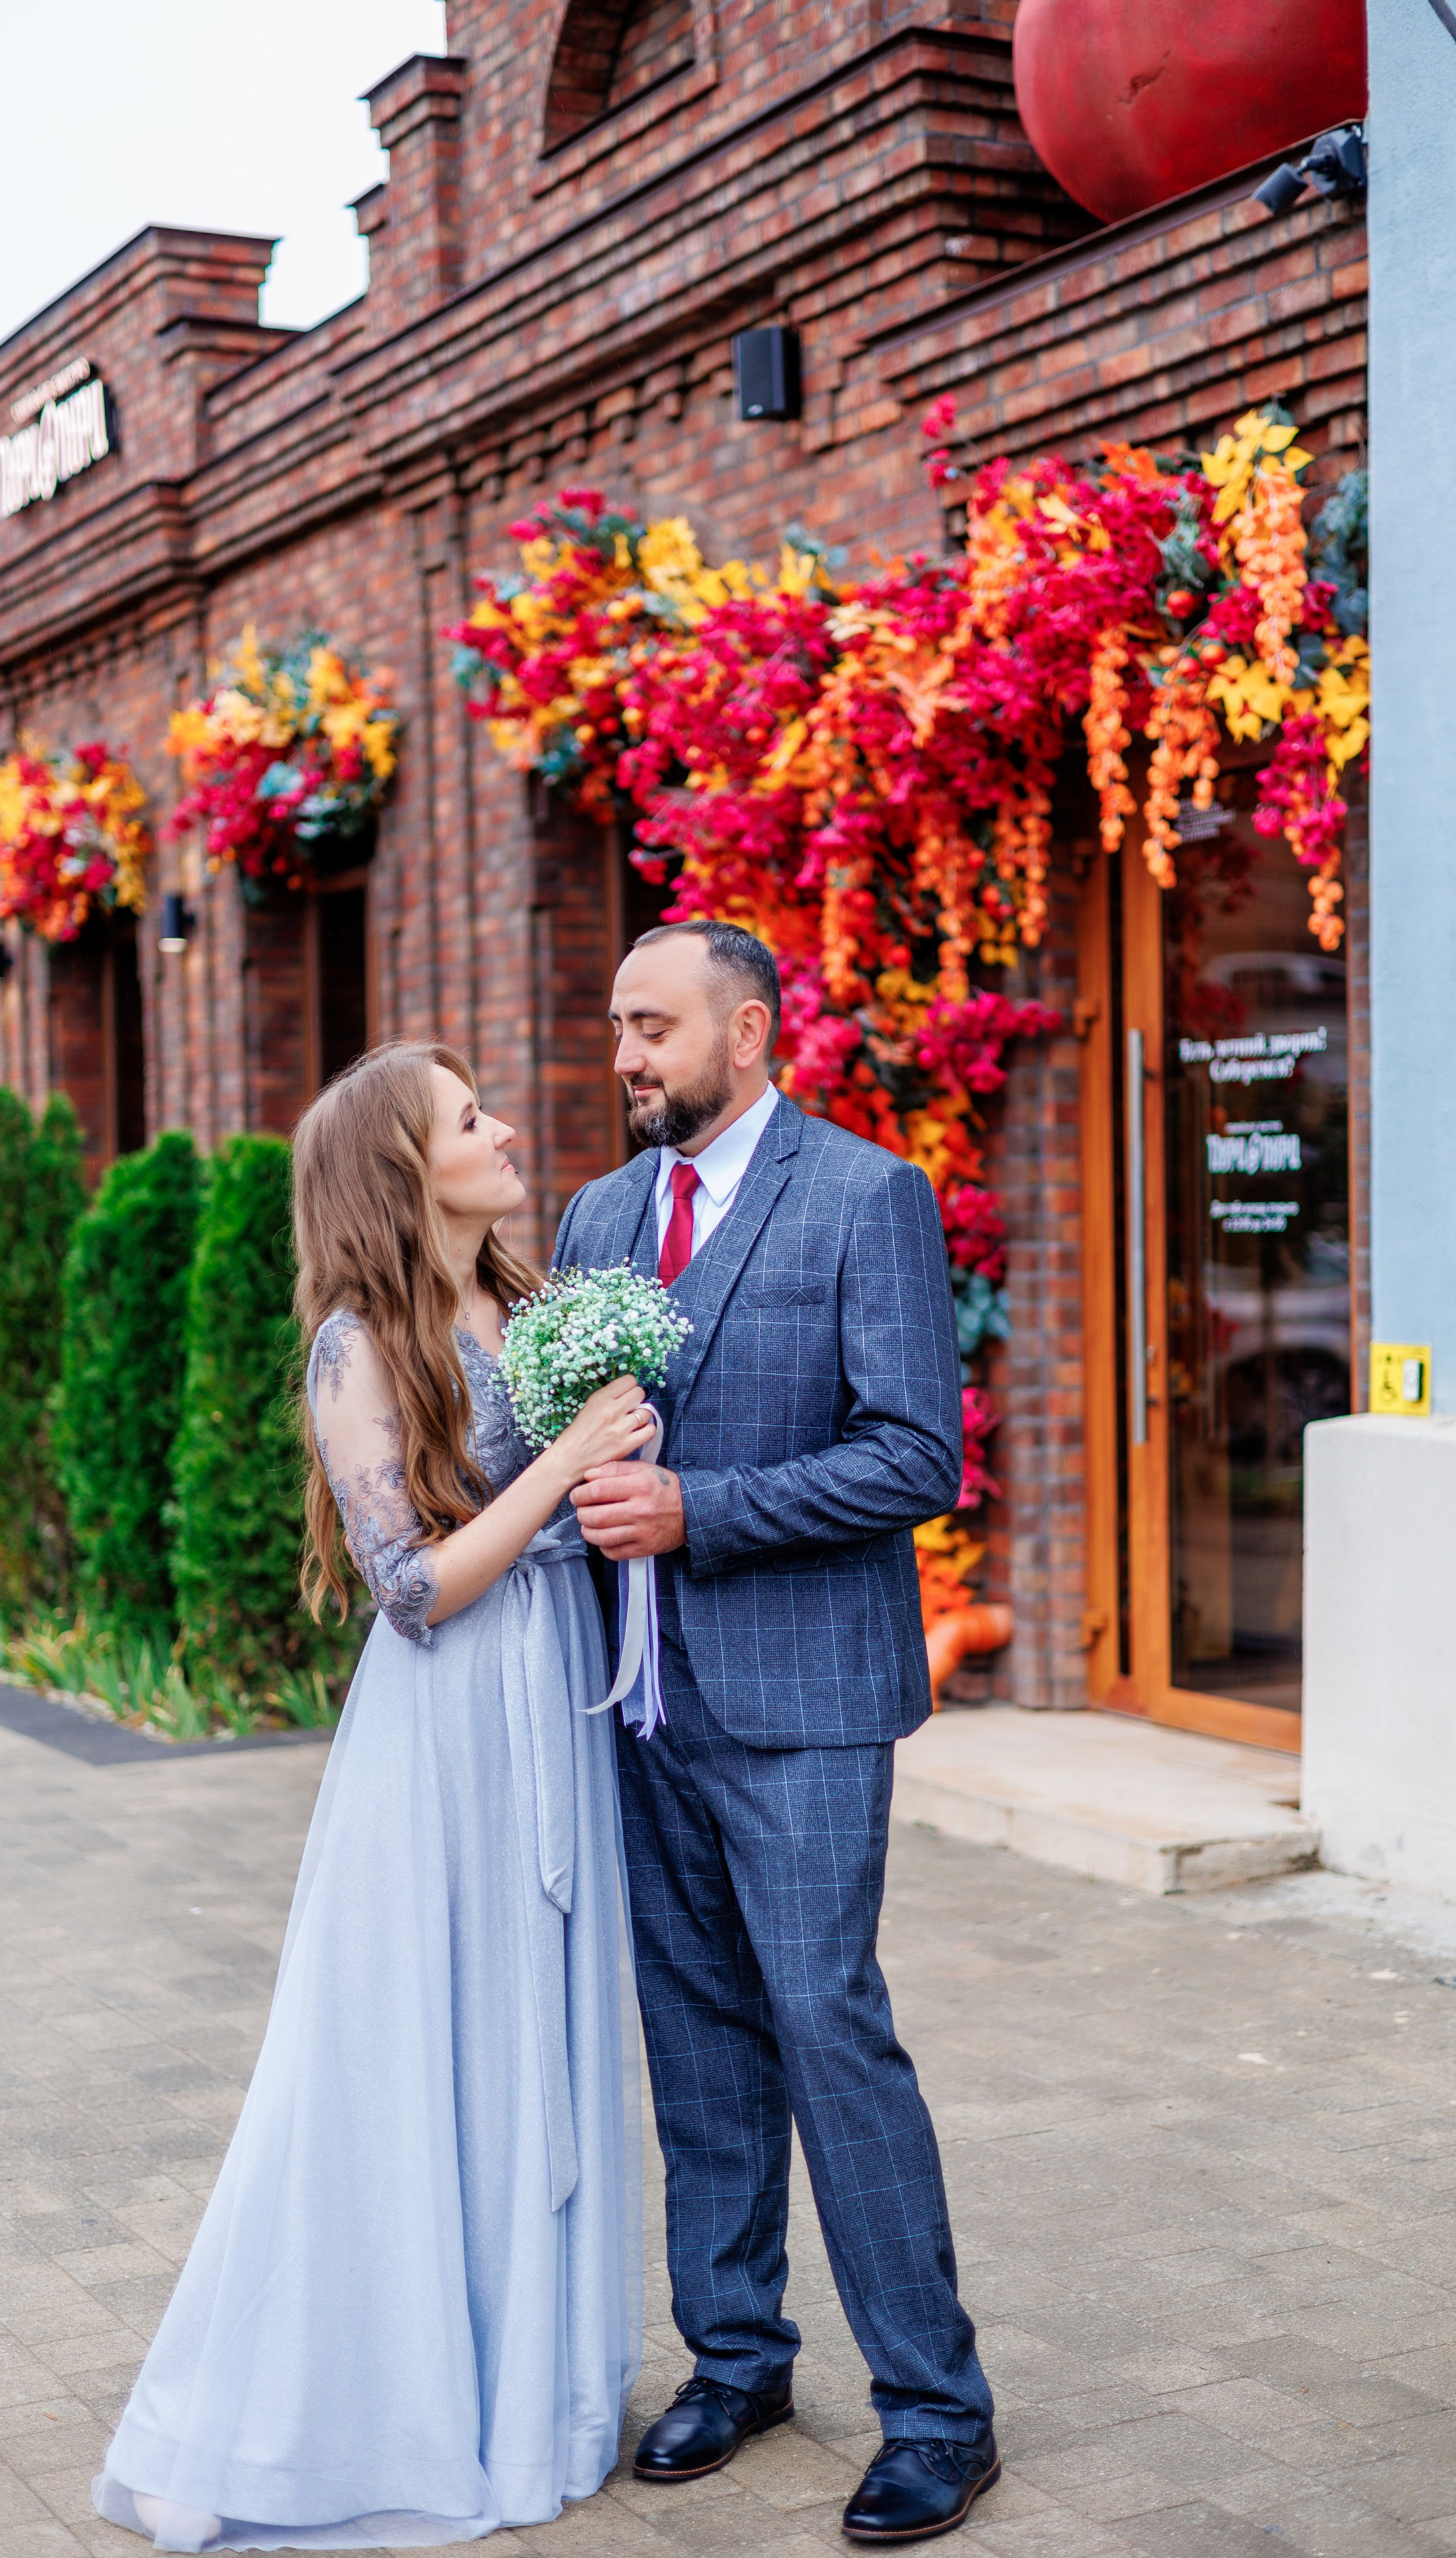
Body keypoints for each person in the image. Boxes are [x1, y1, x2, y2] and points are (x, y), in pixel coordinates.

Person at [93, 1042, 651, 2554]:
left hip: (553, 1698)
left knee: (532, 2036)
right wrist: (565, 1473)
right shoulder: (356, 1345)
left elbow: (567, 1514)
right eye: (471, 1119)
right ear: (406, 1171)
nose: (507, 1127)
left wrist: (621, 1461)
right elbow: (415, 1591)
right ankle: (292, 2415)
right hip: (447, 1728)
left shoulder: (527, 1304)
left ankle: (523, 2391)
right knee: (399, 2050)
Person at [552, 921, 998, 2545]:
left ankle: (938, 2413)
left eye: (653, 1027)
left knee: (826, 2028)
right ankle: (734, 2359)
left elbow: (913, 1459)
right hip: (638, 1704)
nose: (626, 1056)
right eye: (615, 1027)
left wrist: (698, 1509)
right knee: (694, 2042)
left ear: (747, 1033)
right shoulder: (600, 1215)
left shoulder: (864, 1195)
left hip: (804, 1703)